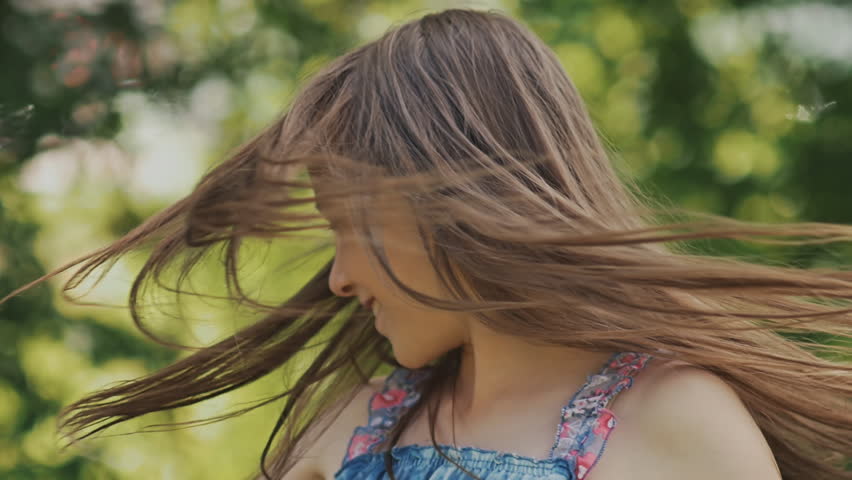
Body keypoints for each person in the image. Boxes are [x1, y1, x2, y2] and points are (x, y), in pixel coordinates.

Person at [4, 7, 850, 480]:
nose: (338, 276)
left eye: (349, 227)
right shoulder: (349, 424)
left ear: (445, 204)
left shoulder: (680, 424)